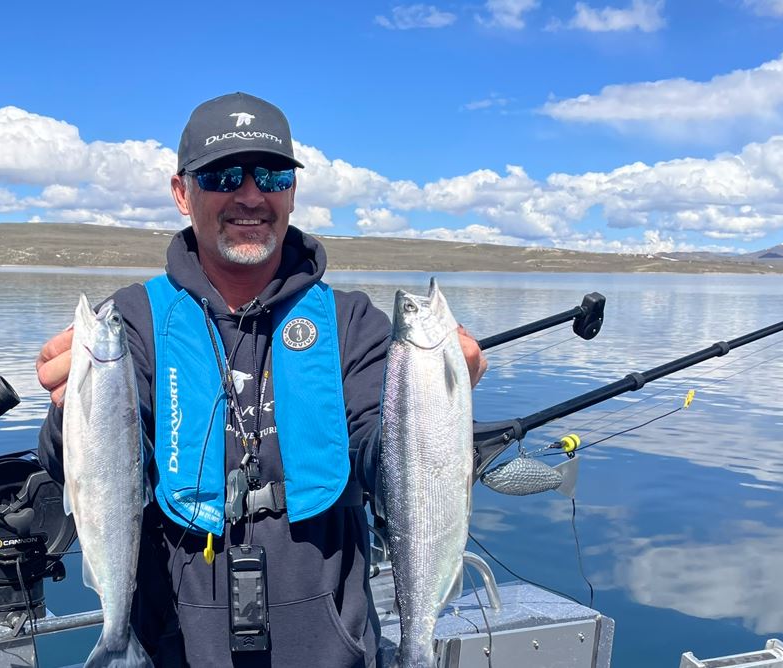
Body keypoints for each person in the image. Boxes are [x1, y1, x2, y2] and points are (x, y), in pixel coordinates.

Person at [35, 92, 487, 668]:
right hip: (176, 652)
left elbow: (388, 464)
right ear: (182, 193)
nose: (250, 195)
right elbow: (70, 469)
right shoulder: (133, 324)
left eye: (271, 175)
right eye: (223, 175)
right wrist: (67, 407)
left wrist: (440, 400)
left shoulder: (353, 324)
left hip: (333, 651)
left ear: (292, 192)